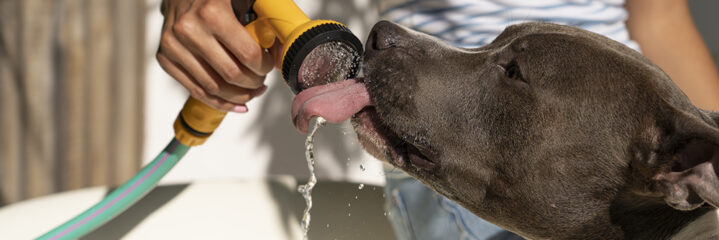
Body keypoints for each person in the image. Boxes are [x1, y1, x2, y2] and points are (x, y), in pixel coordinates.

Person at [157, 0, 719, 239]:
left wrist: (701, 153)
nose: (385, 40)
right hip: (477, 160)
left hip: (602, 147)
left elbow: (662, 20)